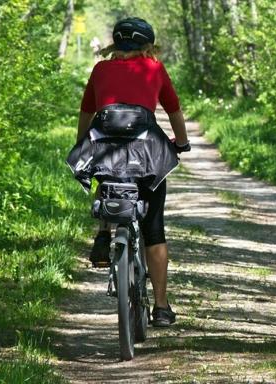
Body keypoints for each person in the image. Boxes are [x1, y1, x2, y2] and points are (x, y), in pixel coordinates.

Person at [75, 17, 190, 327]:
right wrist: (182, 144)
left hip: (105, 147)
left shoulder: (100, 69)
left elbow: (87, 112)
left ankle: (103, 232)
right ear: (147, 46)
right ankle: (162, 307)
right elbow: (174, 110)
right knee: (154, 227)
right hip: (146, 150)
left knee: (107, 173)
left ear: (116, 44)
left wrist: (81, 144)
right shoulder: (154, 68)